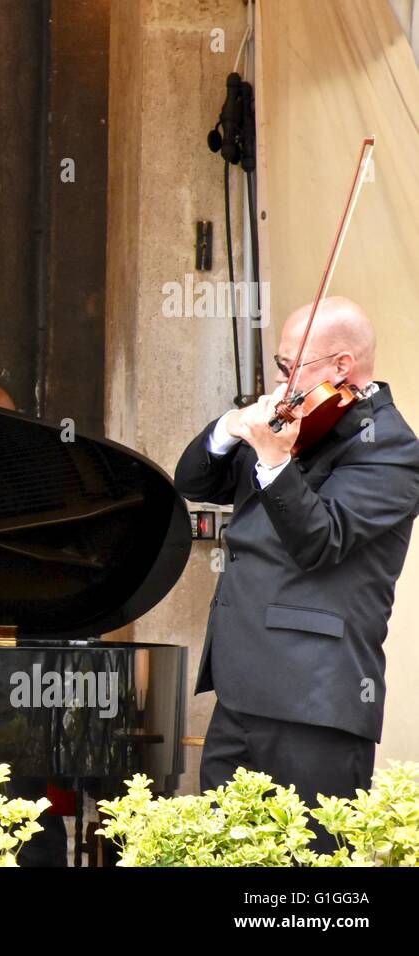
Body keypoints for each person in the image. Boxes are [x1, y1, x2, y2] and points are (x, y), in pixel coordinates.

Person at [173, 296, 419, 844]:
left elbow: (321, 540)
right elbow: (193, 481)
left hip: (314, 699)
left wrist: (275, 462)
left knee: (310, 868)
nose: (280, 381)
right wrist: (230, 428)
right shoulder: (295, 422)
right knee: (223, 852)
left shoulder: (392, 450)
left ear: (341, 367)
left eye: (290, 367)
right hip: (240, 690)